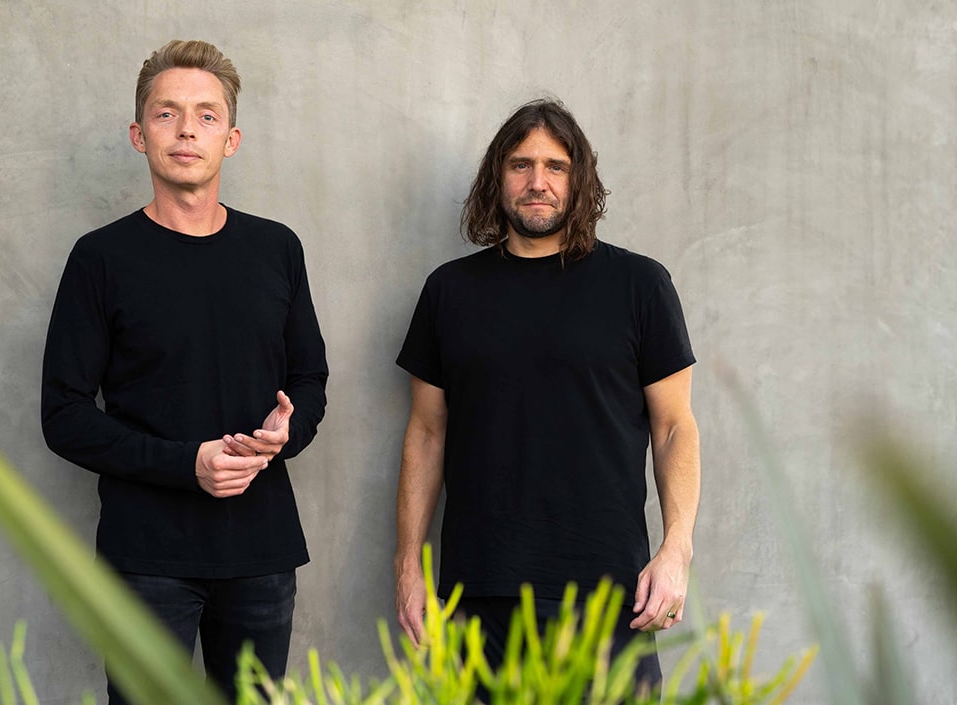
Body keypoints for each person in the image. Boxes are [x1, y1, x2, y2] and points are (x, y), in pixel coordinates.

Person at [41, 39, 327, 703]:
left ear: (231, 139)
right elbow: (64, 415)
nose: (187, 130)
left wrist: (288, 432)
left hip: (261, 553)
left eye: (206, 115)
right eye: (167, 114)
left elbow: (309, 380)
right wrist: (186, 464)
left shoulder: (277, 249)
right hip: (145, 558)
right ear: (139, 135)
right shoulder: (100, 259)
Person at [394, 99, 699, 688]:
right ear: (497, 177)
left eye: (556, 166)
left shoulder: (639, 285)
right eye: (521, 165)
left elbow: (674, 428)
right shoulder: (449, 292)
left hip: (610, 594)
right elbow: (427, 432)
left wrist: (676, 551)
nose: (538, 182)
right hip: (479, 591)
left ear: (579, 180)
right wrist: (408, 566)